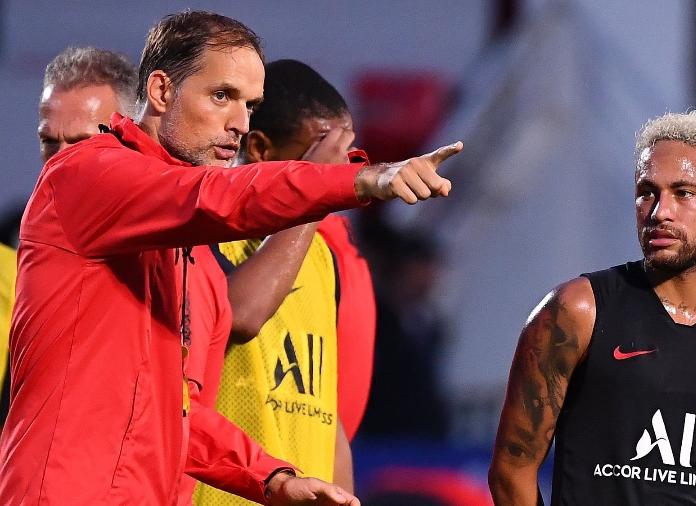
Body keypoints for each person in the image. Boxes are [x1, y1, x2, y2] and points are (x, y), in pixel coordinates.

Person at [1, 10, 461, 505]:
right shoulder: (82, 175)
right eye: (222, 96)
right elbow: (217, 197)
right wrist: (362, 178)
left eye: (251, 104)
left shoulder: (194, 263)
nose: (241, 123)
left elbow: (178, 416)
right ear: (160, 91)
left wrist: (273, 479)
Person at [488, 110, 696, 505]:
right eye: (646, 192)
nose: (659, 212)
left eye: (683, 193)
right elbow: (511, 471)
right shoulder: (577, 310)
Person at [193, 58, 372, 505]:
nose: (334, 175)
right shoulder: (203, 230)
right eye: (319, 156)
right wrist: (312, 197)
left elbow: (326, 414)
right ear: (259, 148)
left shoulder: (322, 257)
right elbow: (240, 316)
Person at [1, 47, 139, 426]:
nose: (59, 162)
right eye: (49, 142)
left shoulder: (174, 249)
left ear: (130, 139)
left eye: (79, 144)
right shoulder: (24, 249)